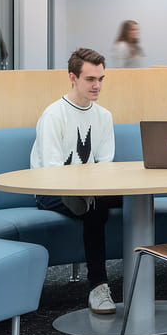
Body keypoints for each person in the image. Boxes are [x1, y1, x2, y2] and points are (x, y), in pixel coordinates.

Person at [31, 48, 119, 313]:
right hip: (49, 189)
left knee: (135, 199)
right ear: (73, 77)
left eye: (101, 79)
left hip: (90, 188)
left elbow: (104, 165)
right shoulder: (54, 115)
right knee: (95, 208)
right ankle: (98, 286)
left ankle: (147, 275)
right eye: (90, 79)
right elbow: (52, 170)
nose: (97, 85)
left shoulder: (103, 116)